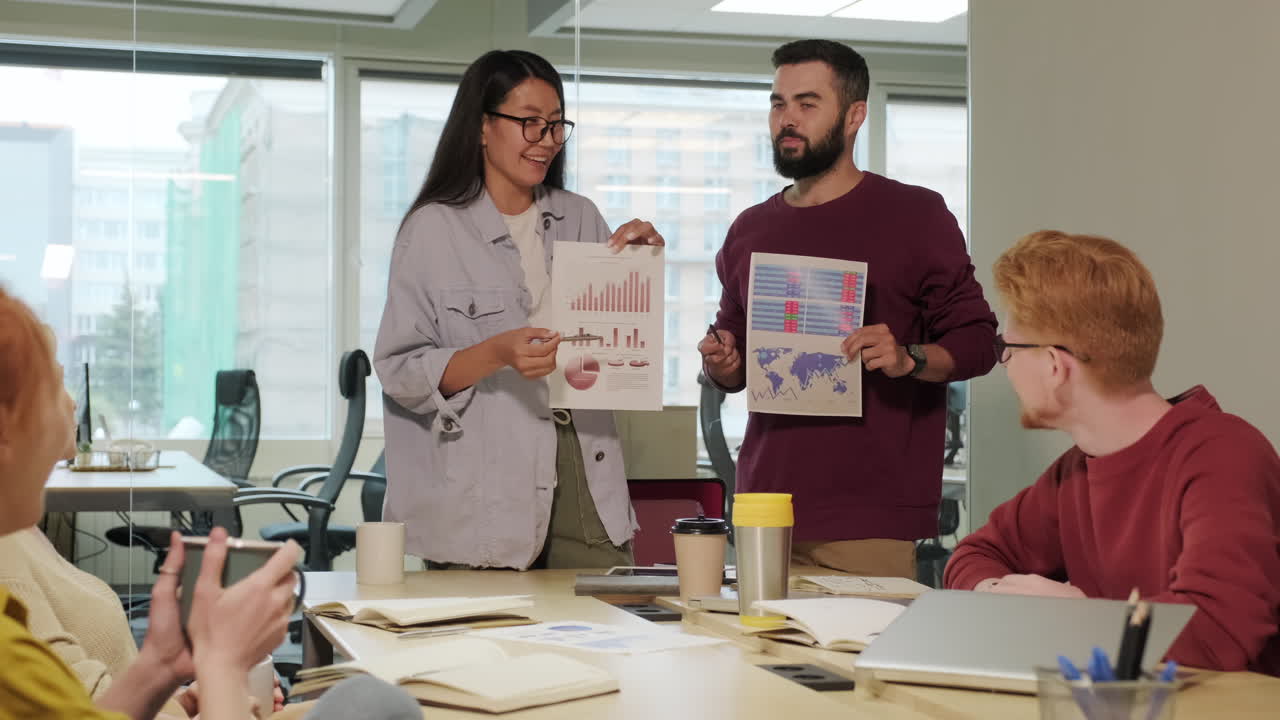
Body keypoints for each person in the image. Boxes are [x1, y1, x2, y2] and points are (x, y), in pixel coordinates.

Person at [698, 39, 997, 578]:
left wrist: (908, 357)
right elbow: (734, 359)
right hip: (765, 507)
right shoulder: (750, 228)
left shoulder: (916, 216)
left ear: (855, 115)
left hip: (870, 516)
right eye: (778, 104)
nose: (787, 120)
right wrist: (722, 364)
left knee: (858, 662)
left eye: (807, 105)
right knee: (758, 663)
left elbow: (978, 341)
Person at [374, 50, 663, 570]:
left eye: (556, 125)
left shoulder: (580, 215)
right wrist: (496, 353)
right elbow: (399, 373)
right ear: (483, 126)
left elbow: (608, 349)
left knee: (602, 639)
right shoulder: (432, 230)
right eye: (530, 123)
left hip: (583, 471)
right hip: (482, 492)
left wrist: (637, 273)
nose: (547, 140)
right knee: (489, 645)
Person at [943, 230, 1280, 675]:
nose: (1004, 365)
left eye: (1007, 349)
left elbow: (1219, 630)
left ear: (1054, 366)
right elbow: (972, 556)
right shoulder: (1076, 470)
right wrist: (1000, 597)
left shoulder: (1222, 455)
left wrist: (1081, 620)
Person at [0, 285, 302, 720]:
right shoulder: (10, 659)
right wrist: (223, 663)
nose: (70, 407)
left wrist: (163, 667)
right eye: (52, 386)